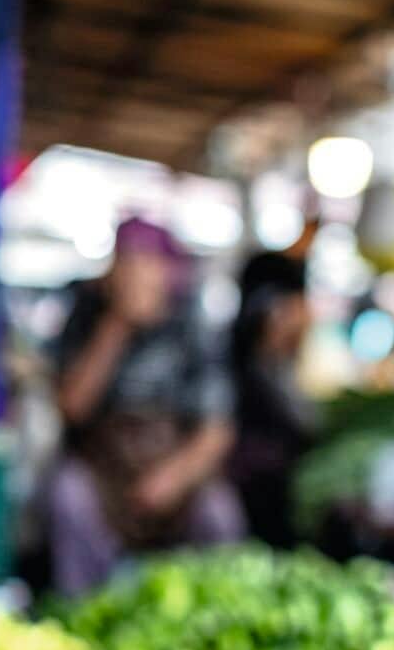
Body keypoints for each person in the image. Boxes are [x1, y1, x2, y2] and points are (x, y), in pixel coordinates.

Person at [40, 218, 243, 593]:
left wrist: (172, 479)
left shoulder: (191, 323)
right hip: (102, 474)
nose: (132, 275)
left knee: (219, 513)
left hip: (172, 469)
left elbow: (216, 429)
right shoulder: (87, 312)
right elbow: (72, 408)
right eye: (124, 263)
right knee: (67, 496)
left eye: (144, 263)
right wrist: (117, 325)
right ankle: (78, 610)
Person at [226, 250, 318, 547]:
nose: (308, 316)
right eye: (299, 303)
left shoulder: (273, 363)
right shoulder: (239, 367)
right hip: (253, 512)